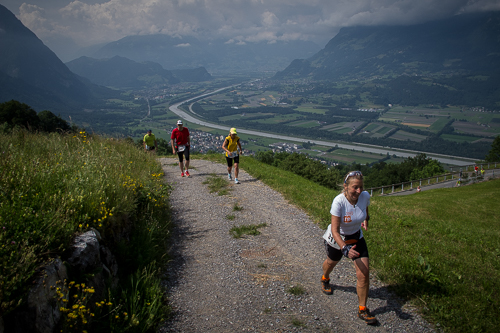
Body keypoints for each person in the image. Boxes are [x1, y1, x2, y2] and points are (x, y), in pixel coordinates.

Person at [321, 171, 377, 325]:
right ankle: (325, 278)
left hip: (356, 237)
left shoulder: (364, 196)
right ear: (345, 187)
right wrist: (344, 248)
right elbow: (335, 229)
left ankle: (362, 309)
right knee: (331, 262)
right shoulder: (338, 202)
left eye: (361, 187)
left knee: (364, 274)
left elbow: (365, 209)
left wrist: (366, 219)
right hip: (338, 238)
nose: (358, 191)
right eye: (355, 187)